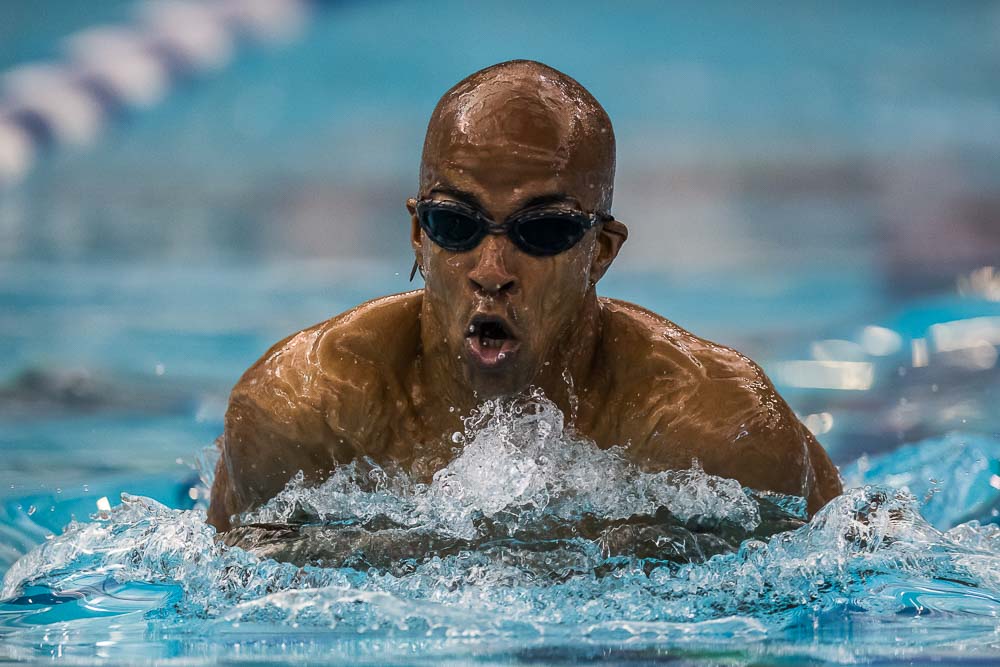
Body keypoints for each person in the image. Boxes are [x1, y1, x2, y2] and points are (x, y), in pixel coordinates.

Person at [207, 60, 842, 532]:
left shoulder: (715, 433)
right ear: (417, 236)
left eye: (543, 231)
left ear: (600, 252)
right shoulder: (303, 413)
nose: (491, 269)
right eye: (455, 225)